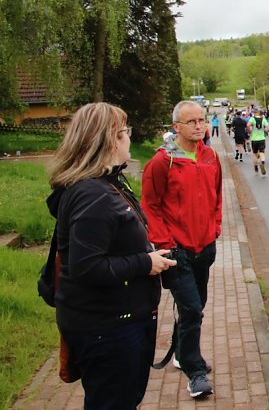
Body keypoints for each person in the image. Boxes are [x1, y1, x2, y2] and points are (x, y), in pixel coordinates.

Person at [47, 103, 175, 409]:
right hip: (108, 327)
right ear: (110, 140)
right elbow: (86, 266)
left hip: (114, 321)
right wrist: (147, 262)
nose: (129, 137)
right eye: (125, 131)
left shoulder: (103, 185)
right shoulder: (93, 195)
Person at [142, 100, 223, 399]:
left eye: (202, 120)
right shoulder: (162, 162)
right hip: (177, 251)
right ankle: (194, 371)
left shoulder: (210, 156)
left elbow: (217, 195)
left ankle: (180, 351)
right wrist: (164, 244)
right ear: (176, 126)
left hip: (206, 246)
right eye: (192, 122)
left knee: (195, 305)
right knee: (190, 310)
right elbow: (149, 205)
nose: (199, 126)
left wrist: (215, 226)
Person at [247, 108, 269, 176]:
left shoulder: (252, 119)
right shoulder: (263, 119)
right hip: (261, 139)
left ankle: (256, 167)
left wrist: (249, 130)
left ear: (254, 113)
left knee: (254, 154)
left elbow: (248, 125)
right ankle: (262, 163)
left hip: (254, 139)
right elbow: (268, 129)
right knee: (262, 152)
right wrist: (265, 130)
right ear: (259, 113)